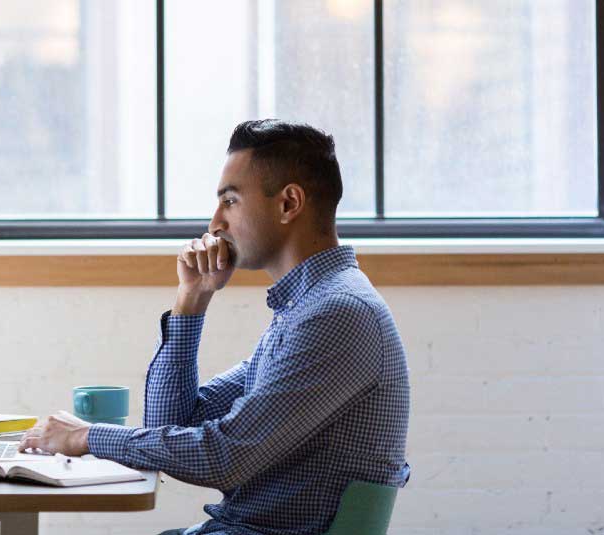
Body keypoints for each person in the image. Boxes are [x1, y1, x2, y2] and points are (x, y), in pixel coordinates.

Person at [23, 119, 411, 535]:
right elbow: (169, 425)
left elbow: (224, 458)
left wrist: (86, 437)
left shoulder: (335, 314)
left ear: (288, 204)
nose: (214, 224)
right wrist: (192, 300)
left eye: (230, 201)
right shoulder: (304, 310)